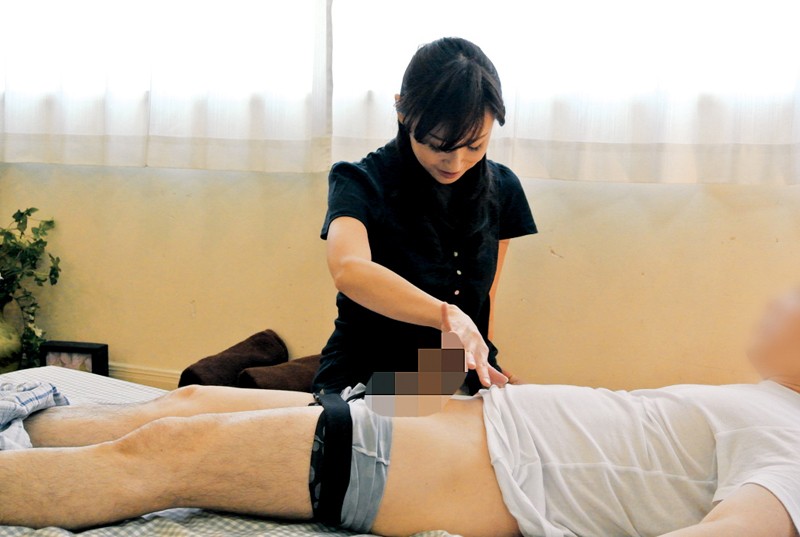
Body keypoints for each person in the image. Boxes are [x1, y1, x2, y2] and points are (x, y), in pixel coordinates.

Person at [3, 291, 800, 536]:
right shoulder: (769, 400)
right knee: (187, 401)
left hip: (445, 462)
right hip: (442, 400)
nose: (777, 302)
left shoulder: (794, 452)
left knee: (170, 449)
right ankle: (22, 420)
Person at [314, 37, 537, 396]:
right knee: (402, 425)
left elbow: (484, 299)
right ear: (402, 112)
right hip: (370, 377)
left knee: (543, 417)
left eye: (475, 145)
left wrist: (484, 361)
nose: (456, 162)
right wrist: (446, 315)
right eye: (438, 145)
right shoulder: (358, 180)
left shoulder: (502, 188)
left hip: (451, 375)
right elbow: (349, 270)